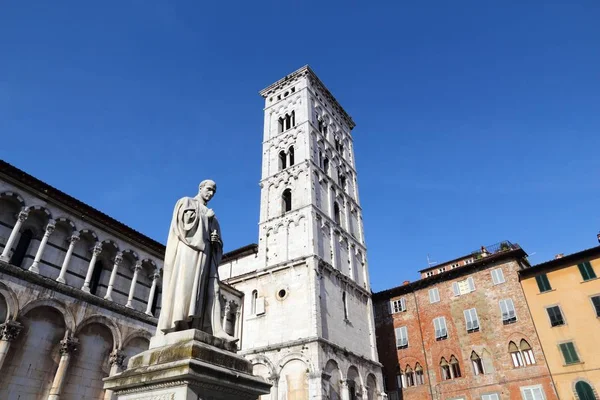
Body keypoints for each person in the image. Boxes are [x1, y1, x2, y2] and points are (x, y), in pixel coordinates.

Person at [157, 180, 235, 341]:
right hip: (189, 252)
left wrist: (216, 240)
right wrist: (205, 219)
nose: (211, 194)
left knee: (212, 289)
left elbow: (217, 241)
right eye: (209, 189)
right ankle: (181, 322)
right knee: (186, 285)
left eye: (214, 191)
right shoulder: (187, 202)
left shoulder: (211, 214)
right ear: (200, 188)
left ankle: (216, 329)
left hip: (206, 256)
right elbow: (184, 226)